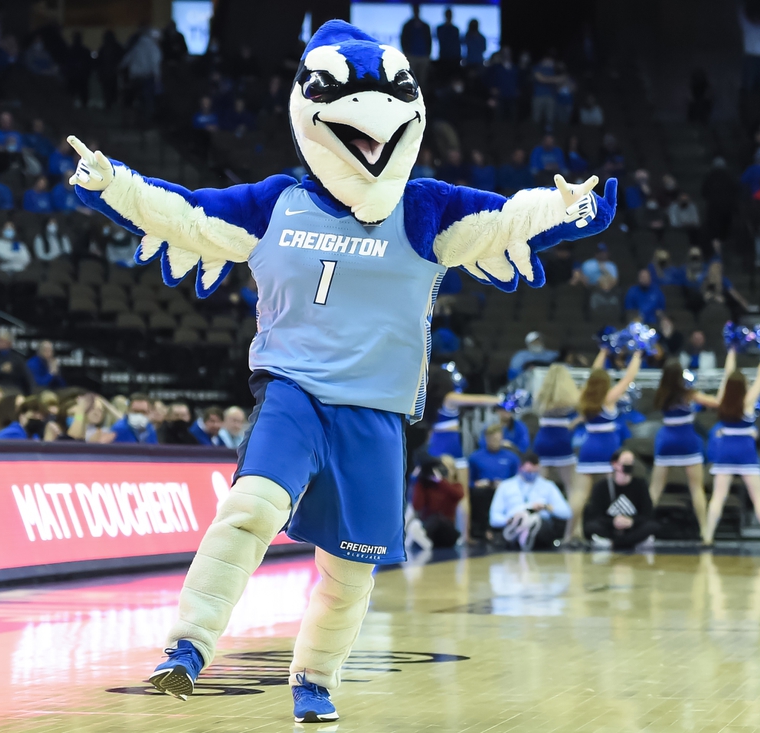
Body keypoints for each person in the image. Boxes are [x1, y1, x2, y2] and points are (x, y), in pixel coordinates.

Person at [65, 19, 617, 720]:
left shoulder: (425, 209)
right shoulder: (274, 203)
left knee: (351, 568)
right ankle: (187, 646)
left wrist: (570, 206)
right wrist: (113, 184)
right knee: (249, 510)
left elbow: (509, 220)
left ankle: (314, 678)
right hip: (294, 391)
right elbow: (185, 216)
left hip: (378, 410)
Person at [701, 343, 760, 548]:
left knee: (718, 497)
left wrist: (731, 352)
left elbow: (728, 374)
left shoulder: (721, 399)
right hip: (745, 450)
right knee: (758, 498)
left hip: (725, 449)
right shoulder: (748, 401)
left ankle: (708, 537)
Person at [566, 348, 643, 543]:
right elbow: (628, 379)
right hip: (608, 448)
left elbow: (593, 373)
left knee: (579, 494)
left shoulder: (584, 396)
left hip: (588, 447)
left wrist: (602, 352)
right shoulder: (608, 398)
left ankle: (570, 534)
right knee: (612, 493)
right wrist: (636, 357)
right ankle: (611, 533)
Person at [649, 362, 720, 537]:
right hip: (687, 440)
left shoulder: (661, 394)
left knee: (655, 488)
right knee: (696, 488)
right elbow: (715, 402)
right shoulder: (689, 394)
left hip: (666, 440)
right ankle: (705, 531)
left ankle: (645, 529)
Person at [489, 452, 572, 550]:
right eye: (528, 471)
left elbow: (567, 513)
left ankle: (527, 532)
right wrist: (508, 520)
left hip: (540, 527)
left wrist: (546, 507)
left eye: (535, 471)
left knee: (535, 521)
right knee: (520, 520)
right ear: (520, 468)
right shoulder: (505, 486)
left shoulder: (548, 486)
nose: (531, 474)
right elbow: (494, 518)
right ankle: (521, 530)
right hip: (513, 522)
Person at [585, 449, 658, 550]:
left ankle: (618, 543)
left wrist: (631, 521)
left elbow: (647, 514)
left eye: (631, 463)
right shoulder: (602, 486)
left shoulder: (640, 485)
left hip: (633, 528)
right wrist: (613, 522)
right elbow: (596, 515)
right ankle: (624, 542)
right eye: (625, 463)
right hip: (610, 528)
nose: (629, 466)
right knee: (592, 526)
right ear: (615, 464)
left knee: (651, 526)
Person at [467, 425, 521, 543]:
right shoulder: (475, 457)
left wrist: (504, 484)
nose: (495, 442)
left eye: (497, 439)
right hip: (483, 491)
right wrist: (477, 484)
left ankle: (505, 528)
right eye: (492, 439)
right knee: (479, 494)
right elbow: (468, 481)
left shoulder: (512, 458)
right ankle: (482, 531)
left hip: (505, 490)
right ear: (486, 439)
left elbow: (518, 480)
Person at [532, 364, 580, 489]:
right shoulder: (571, 399)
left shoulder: (540, 396)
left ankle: (535, 506)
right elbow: (585, 414)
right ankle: (572, 508)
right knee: (570, 485)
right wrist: (571, 424)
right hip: (561, 440)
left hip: (543, 440)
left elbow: (536, 412)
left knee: (538, 484)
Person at [410, 456, 464, 549]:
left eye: (446, 467)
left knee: (439, 519)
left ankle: (424, 541)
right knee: (431, 520)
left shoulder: (455, 486)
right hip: (430, 528)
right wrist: (418, 481)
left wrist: (441, 481)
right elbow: (417, 506)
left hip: (447, 529)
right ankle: (423, 541)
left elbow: (458, 495)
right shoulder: (426, 487)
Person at [0, 328, 34, 394]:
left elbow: (26, 377)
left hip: (14, 389)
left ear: (9, 343)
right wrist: (0, 370)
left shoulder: (18, 359)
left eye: (1, 341)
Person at [739, 0, 760, 92]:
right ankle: (750, 101)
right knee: (749, 85)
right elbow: (740, 11)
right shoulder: (747, 25)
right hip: (752, 57)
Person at [435, 9, 460, 73]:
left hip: (454, 58)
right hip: (444, 57)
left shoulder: (455, 29)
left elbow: (457, 44)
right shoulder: (440, 29)